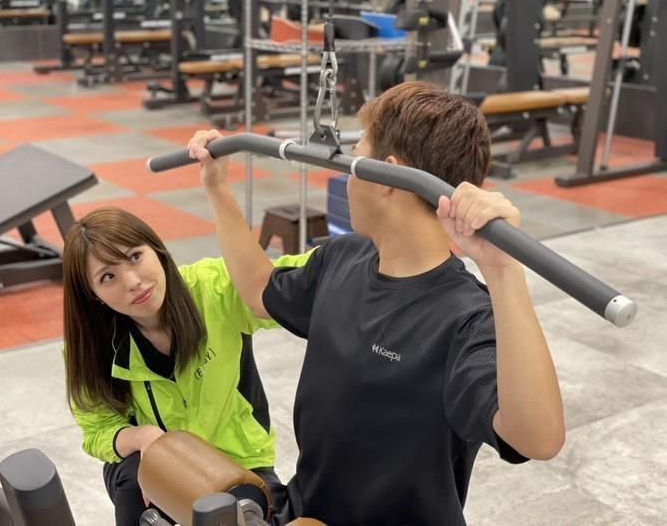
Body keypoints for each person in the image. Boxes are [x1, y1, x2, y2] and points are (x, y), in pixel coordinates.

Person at [188, 81, 566, 525]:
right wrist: (216, 186)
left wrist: (502, 271)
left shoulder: (465, 318)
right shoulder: (342, 257)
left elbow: (538, 439)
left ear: (385, 177)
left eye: (354, 162)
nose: (347, 178)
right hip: (307, 514)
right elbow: (258, 291)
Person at [62, 207, 311, 526]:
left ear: (156, 249)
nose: (133, 282)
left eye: (135, 257)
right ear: (93, 294)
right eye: (107, 277)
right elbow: (97, 430)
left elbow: (290, 279)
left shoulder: (212, 289)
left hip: (237, 461)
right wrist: (143, 438)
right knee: (133, 479)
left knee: (243, 515)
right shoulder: (90, 345)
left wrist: (358, 257)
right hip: (156, 467)